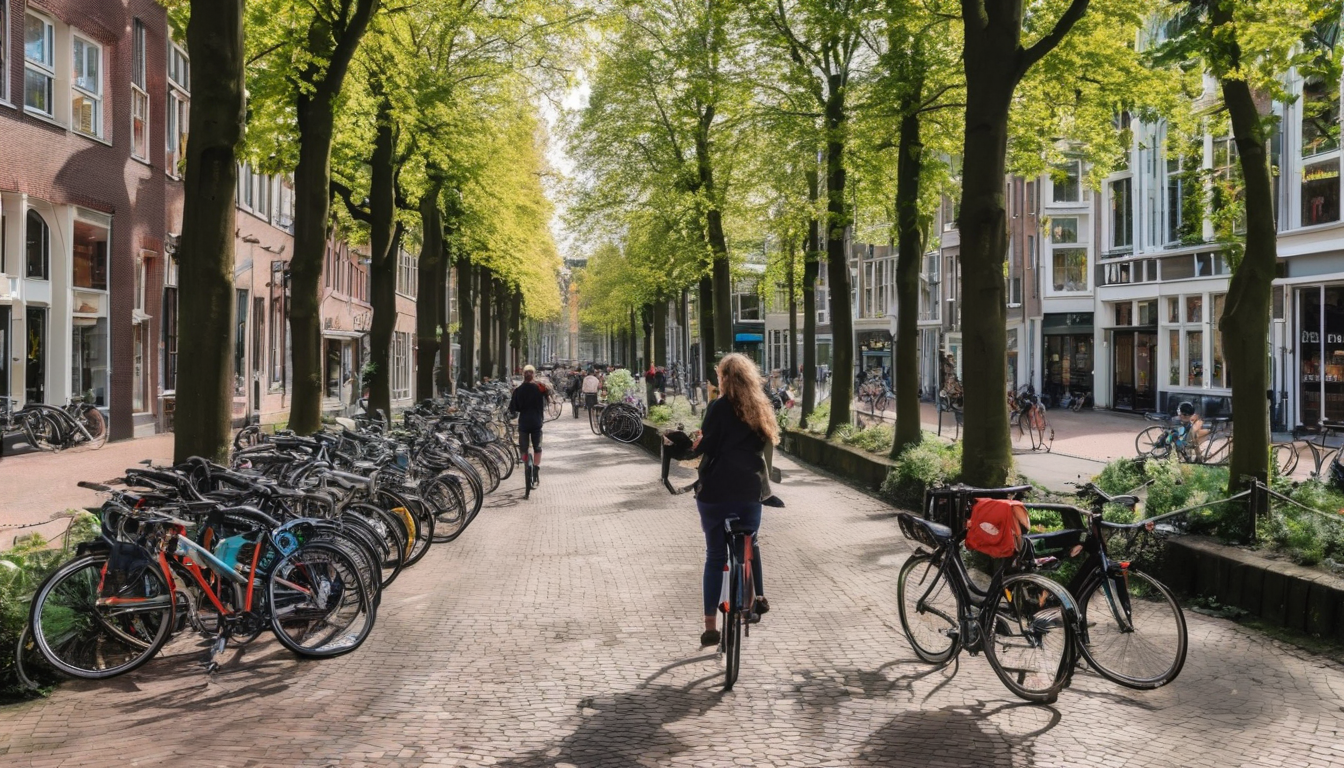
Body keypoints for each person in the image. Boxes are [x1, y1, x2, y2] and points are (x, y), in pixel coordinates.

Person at [689, 352, 777, 647]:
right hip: (750, 491)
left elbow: (707, 447)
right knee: (750, 541)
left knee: (715, 556)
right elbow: (768, 446)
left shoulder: (718, 407)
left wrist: (690, 442)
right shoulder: (761, 408)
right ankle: (755, 599)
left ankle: (710, 626)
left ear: (724, 378)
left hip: (716, 493)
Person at [509, 365, 548, 487]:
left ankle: (526, 463)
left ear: (523, 375)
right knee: (537, 447)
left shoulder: (518, 390)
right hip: (537, 421)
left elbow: (513, 409)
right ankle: (535, 468)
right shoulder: (539, 388)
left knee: (523, 448)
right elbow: (547, 396)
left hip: (524, 422)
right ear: (534, 375)